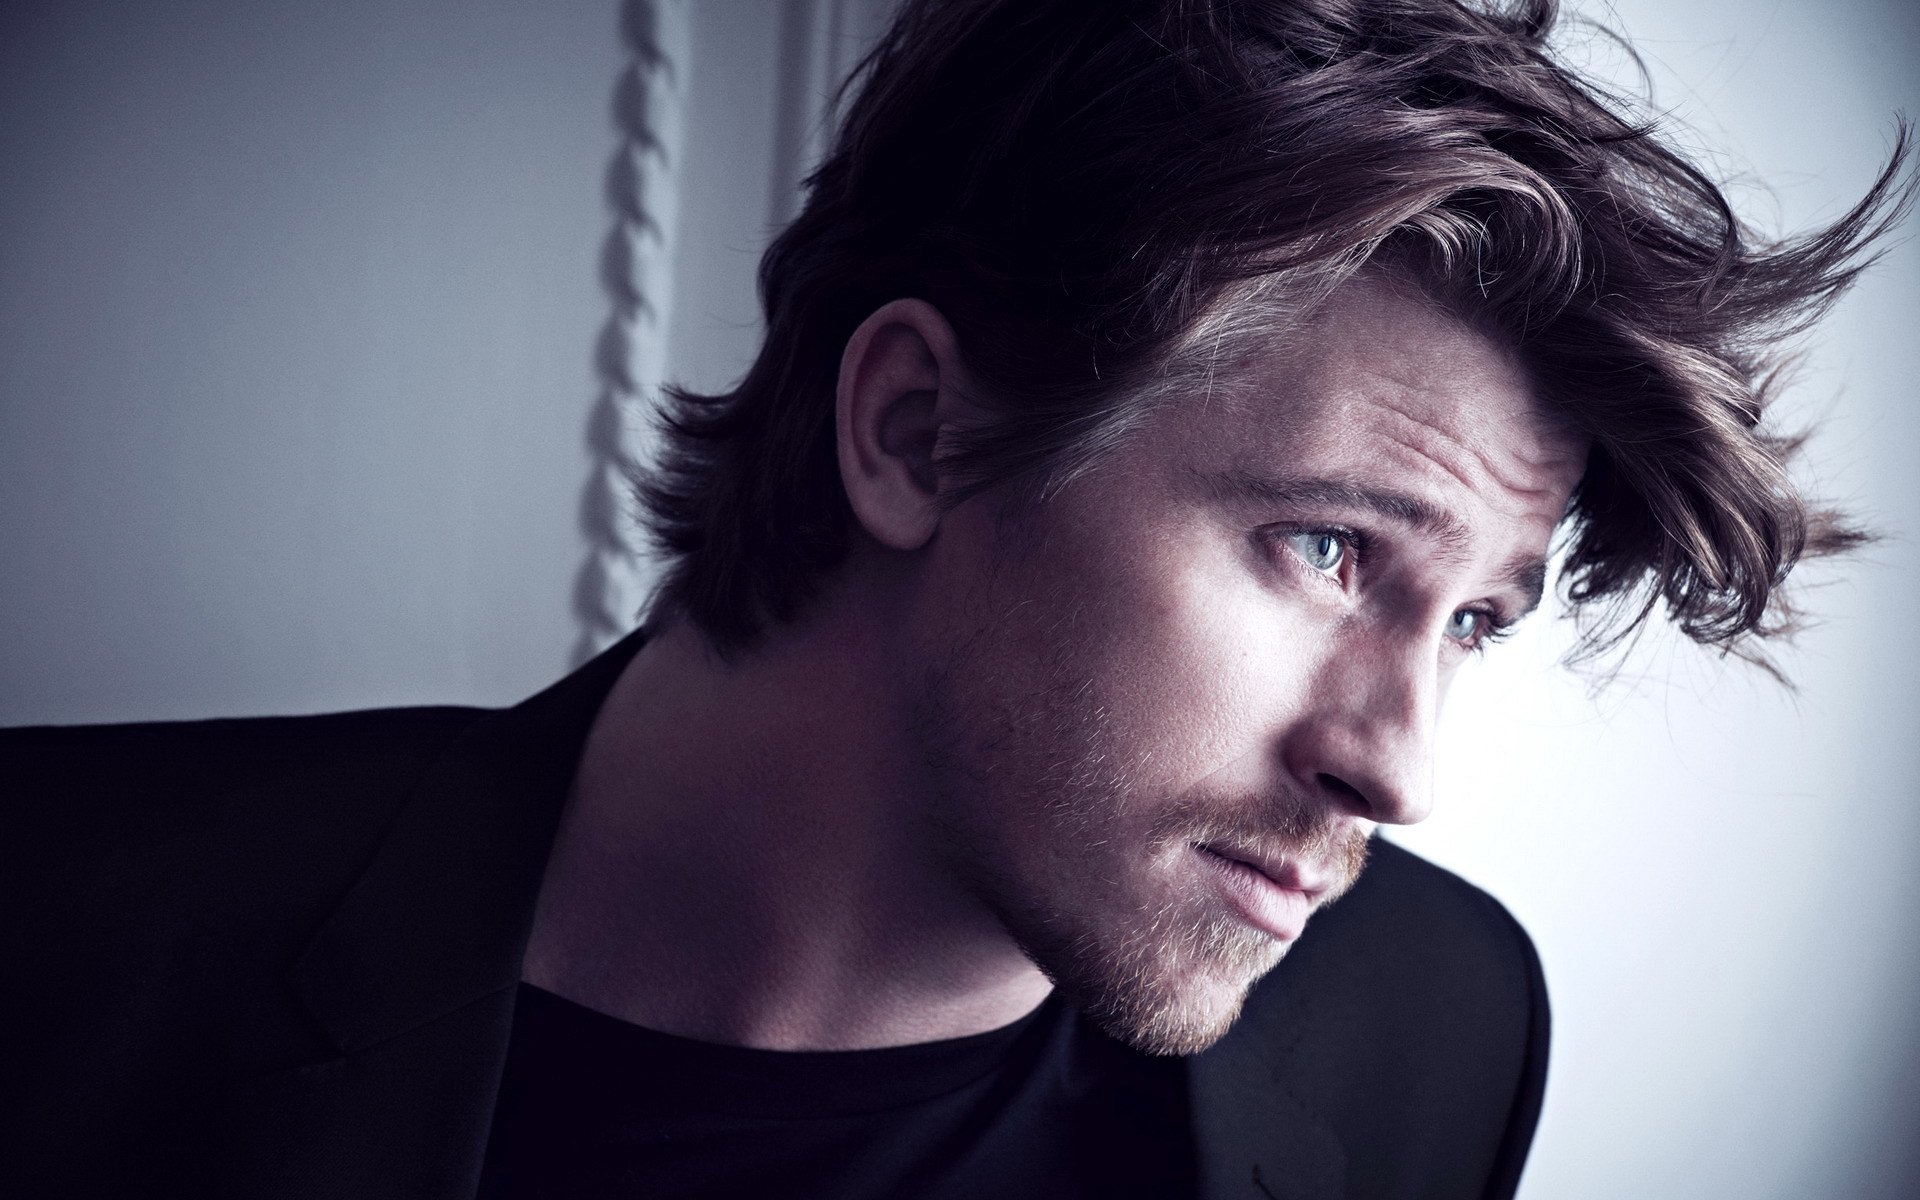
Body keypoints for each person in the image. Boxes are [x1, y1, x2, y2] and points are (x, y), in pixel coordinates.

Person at [2, 0, 1909, 1197]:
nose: (1398, 766)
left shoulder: (1435, 1026)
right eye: (1331, 549)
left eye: (1477, 618)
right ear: (917, 429)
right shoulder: (59, 941)